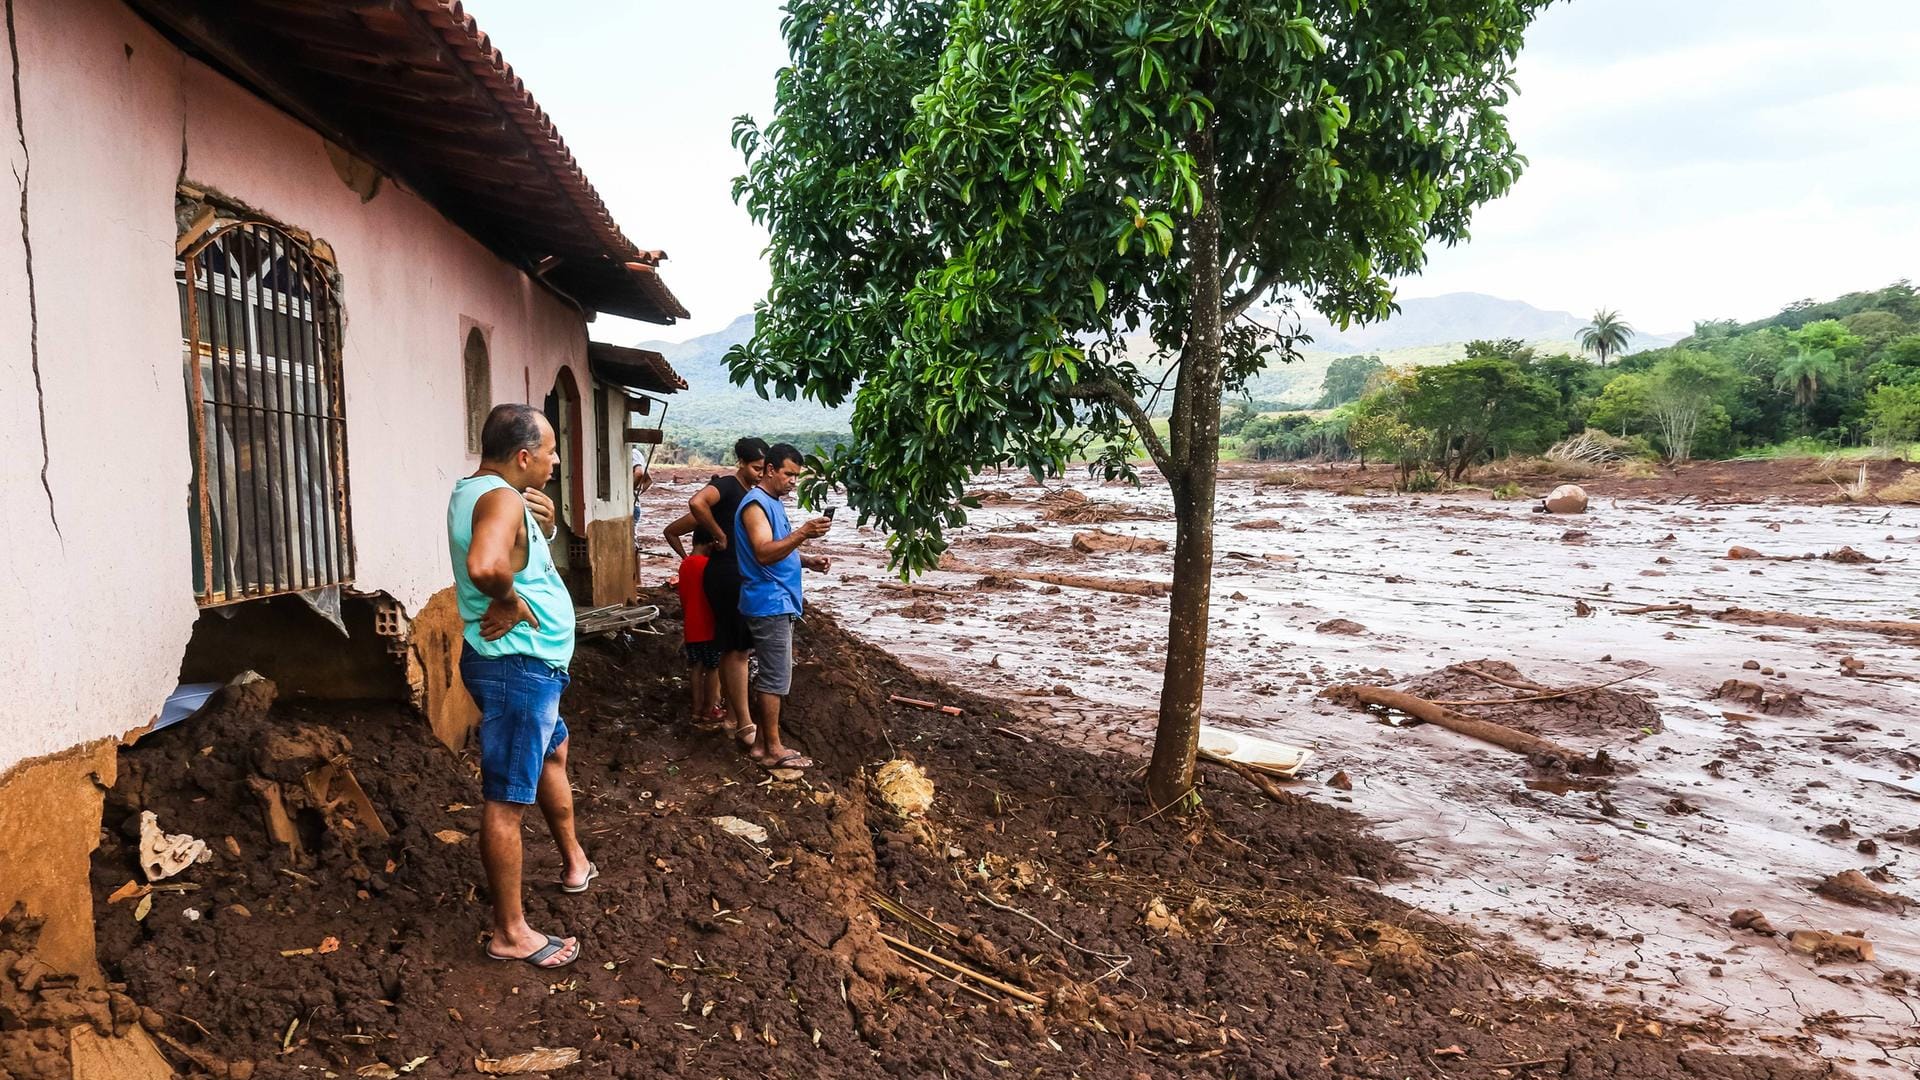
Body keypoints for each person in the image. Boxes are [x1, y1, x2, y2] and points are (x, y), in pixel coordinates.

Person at [447, 403, 595, 971]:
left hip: (530, 668)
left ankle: (574, 860)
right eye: (552, 451)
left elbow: (513, 554)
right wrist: (509, 601)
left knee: (554, 751)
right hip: (517, 668)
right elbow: (488, 565)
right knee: (507, 799)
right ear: (525, 456)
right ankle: (510, 932)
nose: (557, 460)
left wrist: (547, 525)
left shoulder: (488, 492)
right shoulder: (501, 498)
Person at [735, 443, 832, 771]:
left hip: (777, 599)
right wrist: (804, 533)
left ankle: (762, 746)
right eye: (788, 474)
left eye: (797, 476)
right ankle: (773, 748)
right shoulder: (756, 505)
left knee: (774, 675)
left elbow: (778, 549)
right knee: (775, 678)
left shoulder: (772, 504)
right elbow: (763, 552)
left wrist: (807, 561)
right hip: (768, 602)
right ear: (770, 470)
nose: (793, 481)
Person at [674, 438, 769, 751]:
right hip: (726, 575)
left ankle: (732, 715)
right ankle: (742, 721)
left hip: (739, 574)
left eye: (763, 469)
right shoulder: (728, 486)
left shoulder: (750, 494)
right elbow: (696, 503)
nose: (759, 474)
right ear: (740, 462)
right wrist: (719, 534)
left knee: (735, 647)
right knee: (735, 648)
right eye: (756, 468)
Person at [676, 531, 724, 727]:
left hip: (691, 626)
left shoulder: (685, 564)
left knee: (695, 668)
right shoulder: (709, 566)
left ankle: (696, 710)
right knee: (713, 668)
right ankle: (710, 709)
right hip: (709, 625)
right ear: (710, 543)